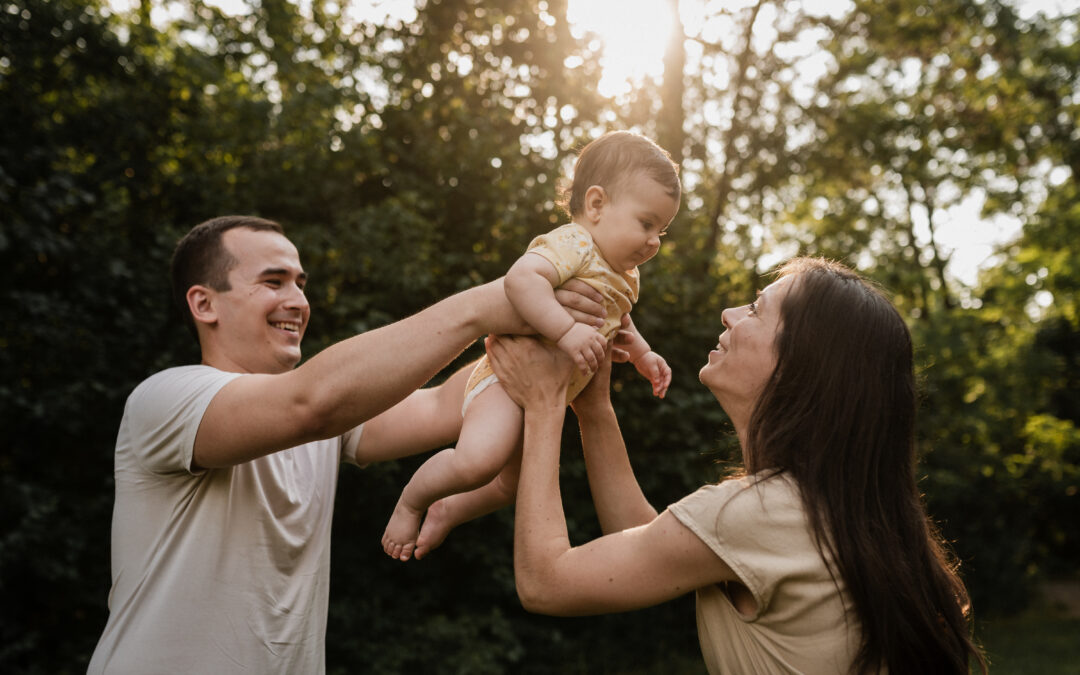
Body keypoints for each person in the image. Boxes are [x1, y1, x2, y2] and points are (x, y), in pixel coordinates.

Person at [87, 215, 606, 674]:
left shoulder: (325, 426)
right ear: (204, 304)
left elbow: (445, 406)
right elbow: (311, 404)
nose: (297, 300)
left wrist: (548, 328)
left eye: (299, 282)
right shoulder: (166, 400)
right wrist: (493, 303)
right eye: (273, 282)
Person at [488, 257, 988, 674]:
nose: (729, 313)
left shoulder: (763, 512)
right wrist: (593, 408)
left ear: (801, 361)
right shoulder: (826, 508)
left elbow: (545, 582)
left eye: (755, 309)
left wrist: (545, 402)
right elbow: (651, 541)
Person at [381, 131, 681, 561]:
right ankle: (412, 500)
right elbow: (521, 280)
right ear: (596, 205)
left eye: (662, 231)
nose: (654, 240)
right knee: (477, 463)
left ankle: (448, 508)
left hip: (546, 393)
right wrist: (566, 331)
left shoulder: (623, 274)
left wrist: (642, 354)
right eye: (646, 223)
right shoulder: (573, 244)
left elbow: (619, 322)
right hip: (507, 382)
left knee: (509, 484)